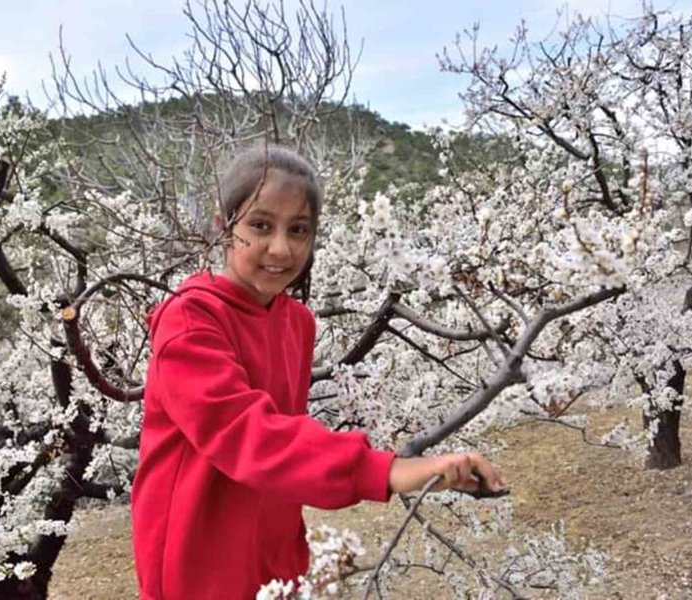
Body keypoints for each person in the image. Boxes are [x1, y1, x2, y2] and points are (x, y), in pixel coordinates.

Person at [130, 145, 505, 599]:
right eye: (260, 225)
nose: (281, 248)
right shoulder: (189, 321)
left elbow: (289, 438)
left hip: (275, 559)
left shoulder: (297, 323)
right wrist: (388, 470)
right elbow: (249, 435)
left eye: (299, 229)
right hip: (198, 564)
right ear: (223, 227)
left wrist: (292, 557)